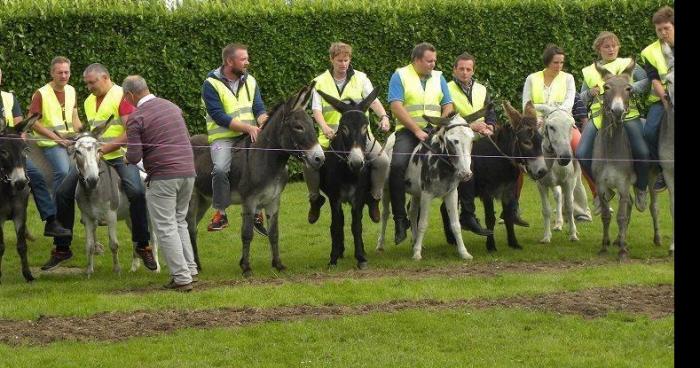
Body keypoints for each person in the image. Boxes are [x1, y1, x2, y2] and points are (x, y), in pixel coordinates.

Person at [41, 63, 157, 271]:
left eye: (92, 82)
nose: (89, 87)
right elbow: (94, 133)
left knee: (136, 190)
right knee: (63, 192)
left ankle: (143, 245)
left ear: (105, 77)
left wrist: (105, 149)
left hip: (120, 156)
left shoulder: (122, 96)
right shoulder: (88, 101)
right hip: (94, 157)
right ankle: (62, 248)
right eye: (86, 83)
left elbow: (131, 131)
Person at [123, 75, 197, 292]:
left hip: (164, 176)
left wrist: (127, 158)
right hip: (188, 171)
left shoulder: (137, 117)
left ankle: (182, 278)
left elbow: (135, 156)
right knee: (179, 221)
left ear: (130, 95)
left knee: (165, 226)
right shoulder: (172, 107)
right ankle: (190, 269)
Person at [306, 42, 390, 224]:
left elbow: (373, 101)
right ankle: (315, 200)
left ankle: (374, 199)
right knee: (308, 164)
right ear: (331, 60)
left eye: (346, 60)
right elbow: (316, 110)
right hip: (330, 134)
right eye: (339, 61)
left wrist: (384, 116)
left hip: (359, 135)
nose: (343, 64)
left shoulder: (361, 78)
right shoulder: (320, 81)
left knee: (383, 161)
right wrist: (324, 128)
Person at [575, 31, 651, 214]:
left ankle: (641, 188)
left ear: (618, 47)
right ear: (598, 49)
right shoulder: (590, 70)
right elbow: (580, 98)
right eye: (606, 46)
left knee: (643, 151)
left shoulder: (628, 65)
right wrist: (589, 94)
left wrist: (632, 88)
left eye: (614, 45)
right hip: (599, 118)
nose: (611, 49)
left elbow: (648, 80)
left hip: (628, 115)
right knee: (582, 152)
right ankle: (603, 189)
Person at [387, 42, 454, 245]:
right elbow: (396, 106)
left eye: (434, 60)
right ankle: (400, 219)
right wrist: (416, 130)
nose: (433, 64)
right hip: (408, 132)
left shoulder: (439, 77)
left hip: (435, 131)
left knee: (460, 160)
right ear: (416, 60)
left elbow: (448, 105)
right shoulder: (400, 75)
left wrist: (441, 125)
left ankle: (466, 212)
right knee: (397, 165)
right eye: (429, 61)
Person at [202, 43, 268, 235]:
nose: (247, 63)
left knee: (264, 166)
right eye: (243, 59)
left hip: (249, 135)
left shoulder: (251, 80)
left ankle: (256, 212)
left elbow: (258, 108)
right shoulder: (211, 84)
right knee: (221, 169)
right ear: (230, 61)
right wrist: (248, 127)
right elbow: (218, 116)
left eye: (247, 58)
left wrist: (264, 120)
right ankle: (220, 213)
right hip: (223, 138)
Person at [522, 44, 592, 222]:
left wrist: (549, 111)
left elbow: (569, 104)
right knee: (518, 156)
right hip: (537, 124)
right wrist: (539, 115)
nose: (559, 66)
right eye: (555, 62)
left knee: (581, 151)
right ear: (547, 61)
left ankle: (585, 206)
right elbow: (527, 105)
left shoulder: (568, 78)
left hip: (563, 123)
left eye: (562, 62)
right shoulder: (532, 78)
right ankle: (513, 208)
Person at [0, 65, 71, 237]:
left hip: (11, 150)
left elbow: (19, 124)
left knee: (35, 175)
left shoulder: (9, 98)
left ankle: (50, 221)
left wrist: (19, 142)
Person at [445, 52, 494, 237]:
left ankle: (511, 207)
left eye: (469, 69)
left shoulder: (482, 88)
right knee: (468, 169)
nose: (465, 73)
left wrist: (491, 125)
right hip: (458, 139)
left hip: (481, 137)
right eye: (461, 69)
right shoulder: (447, 89)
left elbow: (490, 111)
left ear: (473, 71)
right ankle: (468, 215)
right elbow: (447, 117)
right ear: (454, 70)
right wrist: (470, 125)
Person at [640, 5, 674, 193]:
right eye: (659, 30)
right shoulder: (649, 52)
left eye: (666, 28)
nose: (662, 33)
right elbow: (654, 78)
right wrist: (665, 100)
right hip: (662, 100)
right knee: (650, 132)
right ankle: (662, 169)